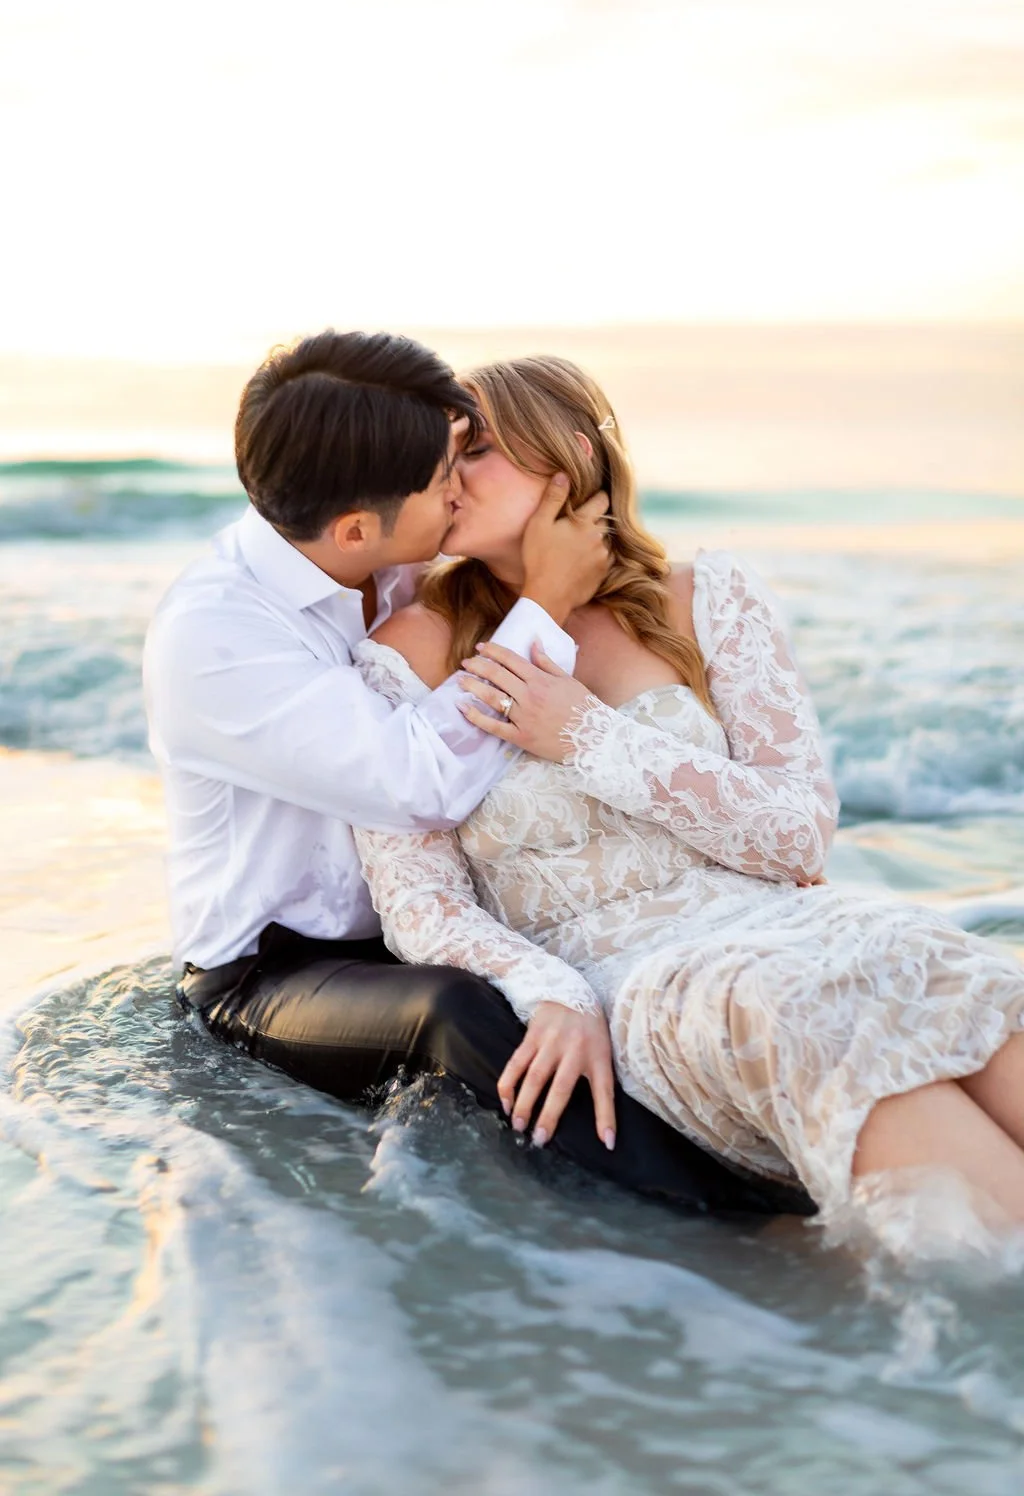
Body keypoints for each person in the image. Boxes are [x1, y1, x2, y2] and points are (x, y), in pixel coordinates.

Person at [144, 329, 808, 1218]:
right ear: (355, 528)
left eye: (465, 453)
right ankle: (730, 1216)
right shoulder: (219, 636)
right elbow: (419, 783)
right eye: (441, 474)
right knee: (459, 1012)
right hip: (274, 970)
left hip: (398, 925)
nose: (455, 486)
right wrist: (546, 602)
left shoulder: (386, 557)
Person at [351, 353, 1024, 1231]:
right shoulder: (410, 644)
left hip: (788, 919)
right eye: (438, 456)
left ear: (568, 456)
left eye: (473, 449)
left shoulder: (706, 600)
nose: (443, 477)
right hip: (642, 975)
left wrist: (584, 734)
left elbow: (796, 838)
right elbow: (419, 903)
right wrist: (550, 989)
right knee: (784, 1002)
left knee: (929, 956)